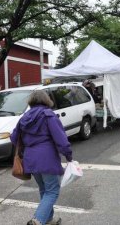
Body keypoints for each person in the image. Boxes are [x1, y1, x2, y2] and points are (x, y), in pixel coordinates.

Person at [10, 90, 72, 225]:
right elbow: (61, 139)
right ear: (46, 100)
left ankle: (48, 219)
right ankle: (38, 220)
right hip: (47, 158)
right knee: (53, 191)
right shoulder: (48, 115)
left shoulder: (23, 118)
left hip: (30, 159)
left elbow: (14, 138)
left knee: (44, 189)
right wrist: (68, 155)